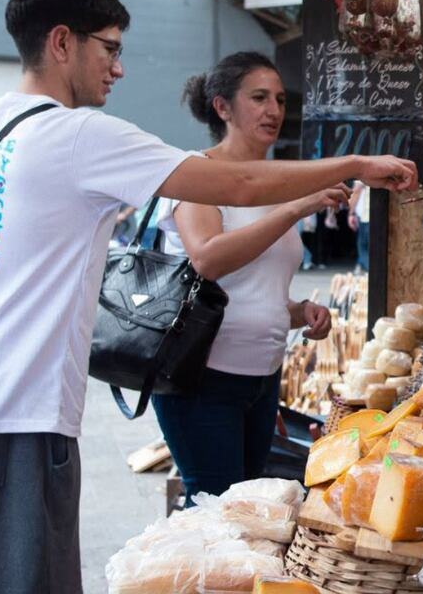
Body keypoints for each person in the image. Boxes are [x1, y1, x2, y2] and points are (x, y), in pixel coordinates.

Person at [0, 0, 414, 594]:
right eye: (111, 48)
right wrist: (354, 164)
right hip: (20, 413)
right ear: (61, 43)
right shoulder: (73, 134)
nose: (119, 68)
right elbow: (234, 185)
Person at [154, 52, 338, 505]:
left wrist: (300, 312)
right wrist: (297, 207)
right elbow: (209, 261)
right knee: (215, 514)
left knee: (249, 514)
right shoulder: (196, 175)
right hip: (202, 381)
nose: (274, 110)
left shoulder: (278, 184)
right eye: (258, 98)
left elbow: (255, 290)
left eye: (279, 99)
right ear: (222, 107)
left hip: (262, 379)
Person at [349, 180, 370, 273]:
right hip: (373, 215)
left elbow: (356, 191)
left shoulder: (363, 169)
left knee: (363, 246)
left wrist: (351, 213)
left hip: (366, 216)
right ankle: (360, 266)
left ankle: (371, 271)